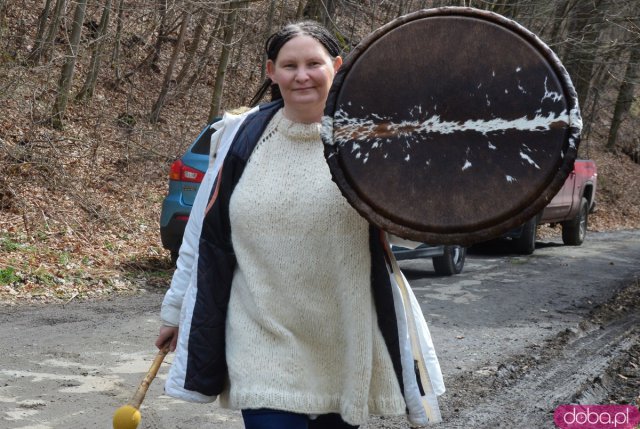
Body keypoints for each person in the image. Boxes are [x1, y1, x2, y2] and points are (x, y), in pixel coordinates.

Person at [156, 20, 444, 429]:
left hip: (343, 338)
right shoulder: (241, 136)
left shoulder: (367, 142)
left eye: (314, 63)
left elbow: (404, 233)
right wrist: (175, 312)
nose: (302, 75)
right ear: (271, 71)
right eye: (289, 65)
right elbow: (206, 237)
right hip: (260, 336)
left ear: (338, 66)